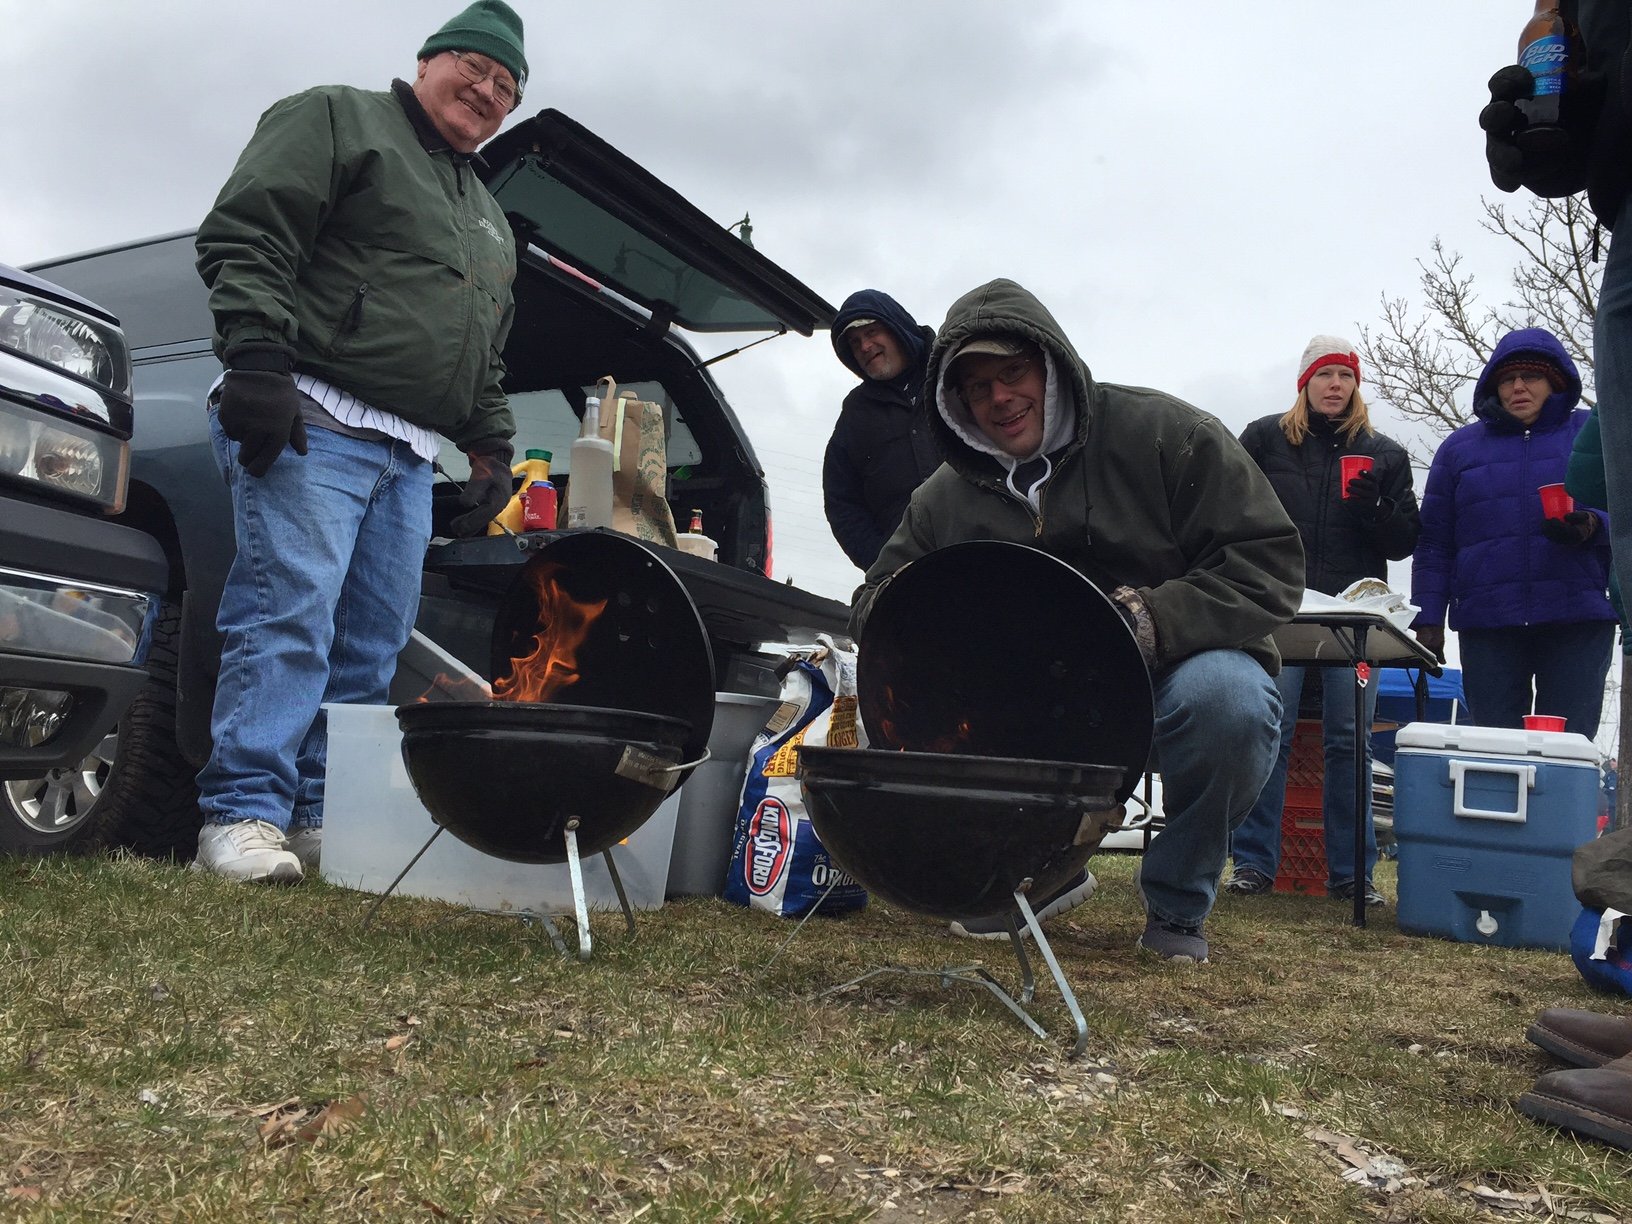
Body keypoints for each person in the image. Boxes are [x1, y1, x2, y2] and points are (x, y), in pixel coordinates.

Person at [852, 278, 1304, 964]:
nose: (1000, 398)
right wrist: (954, 638)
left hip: (1170, 678)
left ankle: (1179, 898)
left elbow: (1268, 562)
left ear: (1052, 364)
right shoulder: (944, 497)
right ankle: (1036, 874)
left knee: (1231, 701)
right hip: (1032, 705)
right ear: (954, 401)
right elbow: (877, 598)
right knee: (912, 693)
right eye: (976, 386)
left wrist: (1150, 620)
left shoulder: (1167, 435)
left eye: (1013, 372)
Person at [191, 1, 528, 882]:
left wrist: (490, 445)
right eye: (475, 69)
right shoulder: (339, 116)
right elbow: (252, 229)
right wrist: (259, 362)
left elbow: (485, 344)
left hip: (411, 454)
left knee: (372, 645)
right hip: (313, 416)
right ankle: (240, 814)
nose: (487, 92)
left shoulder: (488, 214)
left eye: (506, 88)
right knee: (289, 613)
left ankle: (313, 815)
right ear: (428, 63)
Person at [1226, 337, 1420, 907]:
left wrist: (1375, 511)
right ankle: (1253, 866)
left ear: (1356, 384)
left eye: (1345, 375)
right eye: (1324, 374)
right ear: (1304, 382)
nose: (1335, 384)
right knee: (1271, 733)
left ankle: (1353, 876)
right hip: (1279, 604)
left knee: (1348, 741)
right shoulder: (1263, 438)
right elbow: (1228, 508)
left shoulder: (1383, 452)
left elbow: (1405, 540)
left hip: (1354, 614)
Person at [1409, 329, 1615, 738]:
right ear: (1493, 386)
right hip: (1489, 623)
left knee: (1568, 750)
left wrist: (1592, 526)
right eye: (1507, 379)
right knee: (1493, 750)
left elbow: (1623, 511)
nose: (1518, 387)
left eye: (1531, 376)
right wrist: (1428, 618)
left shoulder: (1592, 433)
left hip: (1577, 618)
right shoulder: (1458, 449)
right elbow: (1434, 542)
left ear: (1555, 382)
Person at [822, 291, 940, 570]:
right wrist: (881, 561)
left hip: (985, 554)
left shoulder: (953, 375)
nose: (864, 346)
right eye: (854, 342)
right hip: (910, 578)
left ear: (897, 327)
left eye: (872, 332)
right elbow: (841, 502)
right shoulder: (855, 414)